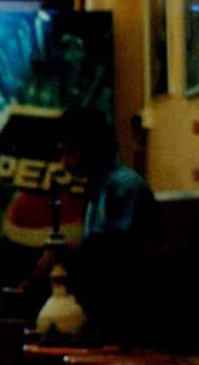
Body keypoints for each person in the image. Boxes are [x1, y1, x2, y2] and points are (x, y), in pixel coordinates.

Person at [55, 105, 161, 347]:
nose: (64, 163)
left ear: (90, 148)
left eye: (69, 152)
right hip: (110, 313)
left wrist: (65, 252)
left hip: (129, 318)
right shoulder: (100, 187)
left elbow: (114, 257)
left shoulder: (124, 187)